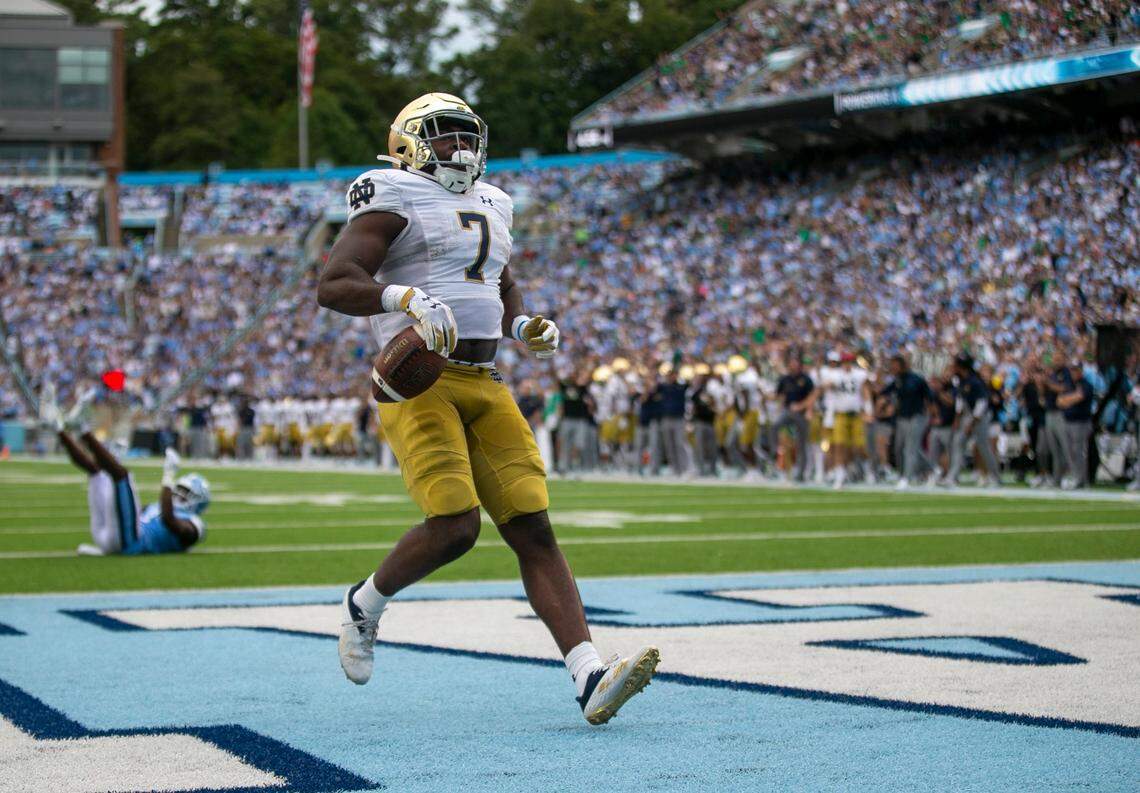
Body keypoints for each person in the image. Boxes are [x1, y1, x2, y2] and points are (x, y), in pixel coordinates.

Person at [316, 92, 658, 725]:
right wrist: (404, 297)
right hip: (420, 379)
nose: (462, 149)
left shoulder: (494, 201)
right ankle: (365, 603)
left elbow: (496, 276)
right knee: (456, 528)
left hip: (486, 375)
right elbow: (334, 282)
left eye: (468, 137)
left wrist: (522, 320)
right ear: (411, 143)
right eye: (446, 137)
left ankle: (588, 675)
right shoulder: (392, 191)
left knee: (533, 527)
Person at [45, 394, 209, 557]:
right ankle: (59, 430)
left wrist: (169, 474)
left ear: (199, 501)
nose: (179, 493)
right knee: (97, 474)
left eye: (186, 492)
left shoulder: (195, 524)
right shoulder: (156, 507)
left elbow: (168, 520)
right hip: (109, 536)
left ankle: (82, 429)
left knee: (122, 476)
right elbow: (129, 510)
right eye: (180, 489)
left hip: (131, 543)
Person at [946, 353, 1001, 487]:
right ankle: (953, 476)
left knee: (983, 447)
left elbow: (982, 404)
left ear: (961, 366)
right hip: (969, 415)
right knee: (958, 443)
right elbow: (960, 400)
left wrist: (972, 423)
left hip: (980, 417)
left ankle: (995, 477)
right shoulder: (961, 380)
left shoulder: (975, 381)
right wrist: (958, 419)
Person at [882, 354, 932, 489]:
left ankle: (907, 478)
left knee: (910, 448)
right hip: (902, 418)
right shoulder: (897, 380)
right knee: (900, 448)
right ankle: (931, 468)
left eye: (895, 365)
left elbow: (929, 397)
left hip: (916, 416)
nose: (892, 367)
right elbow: (884, 392)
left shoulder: (916, 379)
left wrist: (930, 414)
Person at [774, 354, 815, 482]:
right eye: (791, 363)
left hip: (801, 413)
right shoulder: (784, 379)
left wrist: (808, 410)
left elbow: (812, 396)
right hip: (787, 411)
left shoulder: (806, 379)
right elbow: (780, 396)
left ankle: (801, 473)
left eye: (795, 363)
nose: (794, 365)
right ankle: (776, 455)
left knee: (801, 444)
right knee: (776, 427)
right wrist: (779, 410)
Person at [1058, 362, 1095, 489]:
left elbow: (1080, 397)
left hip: (1081, 422)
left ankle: (1081, 479)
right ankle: (1075, 476)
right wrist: (1072, 398)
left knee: (1078, 451)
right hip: (1068, 421)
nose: (1073, 373)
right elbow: (1059, 401)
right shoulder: (1069, 384)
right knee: (1069, 452)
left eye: (1076, 370)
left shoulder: (1086, 384)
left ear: (1081, 371)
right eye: (1072, 370)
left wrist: (1068, 399)